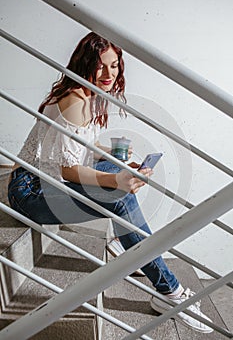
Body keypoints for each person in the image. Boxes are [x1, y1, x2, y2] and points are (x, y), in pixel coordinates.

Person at [8, 32, 213, 333]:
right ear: (85, 63)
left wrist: (116, 162)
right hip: (30, 192)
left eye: (114, 65)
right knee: (121, 197)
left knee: (120, 180)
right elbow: (68, 170)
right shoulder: (75, 99)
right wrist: (116, 179)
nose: (108, 74)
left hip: (43, 180)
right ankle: (169, 291)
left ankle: (126, 238)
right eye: (100, 66)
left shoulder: (84, 93)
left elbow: (74, 149)